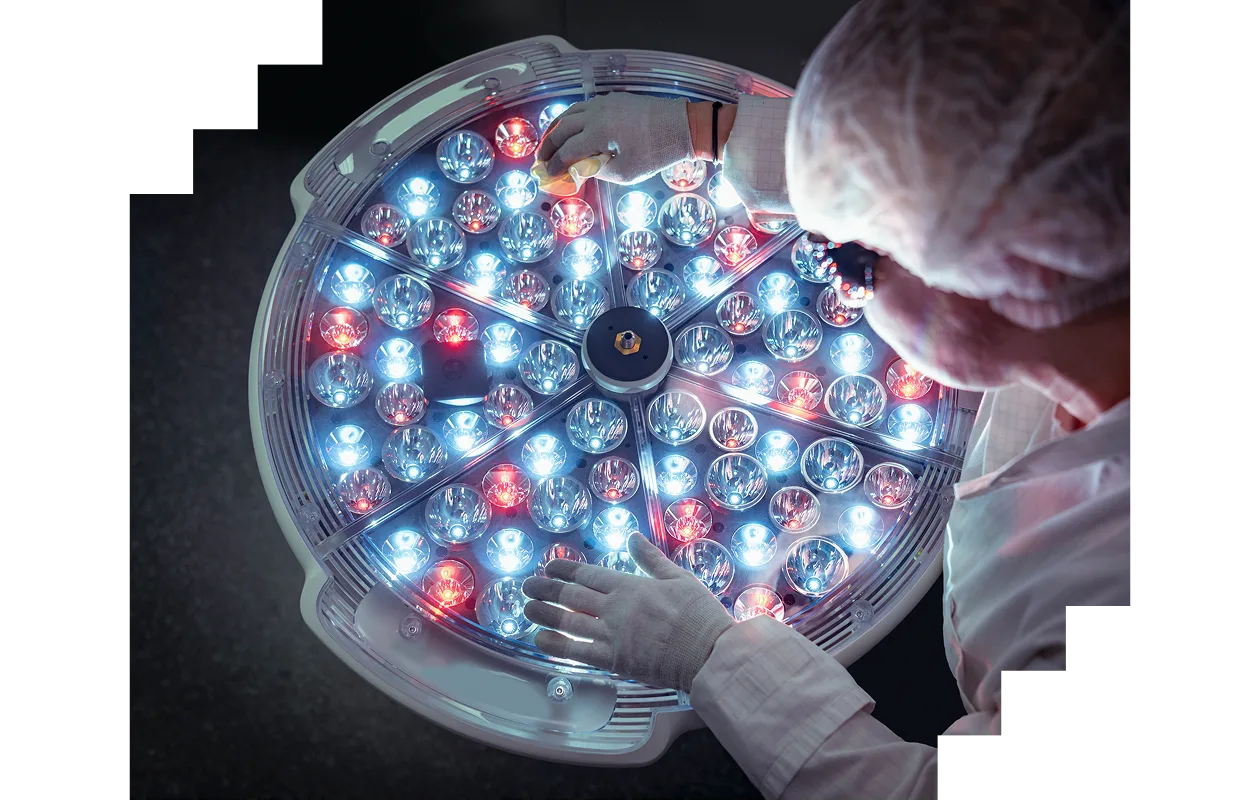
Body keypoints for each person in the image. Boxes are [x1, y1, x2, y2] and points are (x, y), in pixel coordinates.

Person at [522, 0, 1136, 797]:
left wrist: (718, 659)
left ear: (1007, 284)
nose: (823, 266)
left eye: (853, 264)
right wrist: (707, 130)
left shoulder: (1104, 590)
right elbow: (959, 154)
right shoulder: (1096, 237)